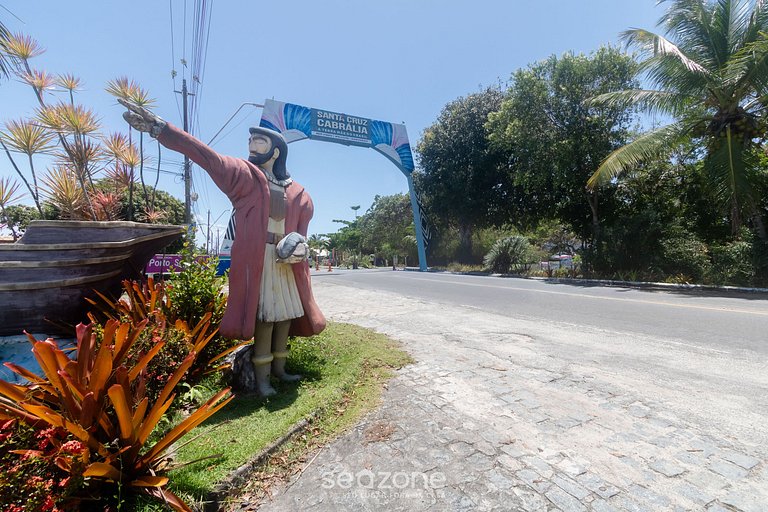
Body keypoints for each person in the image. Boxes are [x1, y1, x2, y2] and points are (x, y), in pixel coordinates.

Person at [120, 99, 326, 397]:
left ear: (276, 149)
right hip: (261, 261)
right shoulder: (245, 176)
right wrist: (162, 130)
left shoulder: (299, 192)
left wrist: (300, 249)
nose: (252, 144)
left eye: (259, 139)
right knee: (266, 318)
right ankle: (263, 379)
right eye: (251, 139)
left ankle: (281, 370)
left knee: (287, 315)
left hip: (287, 264)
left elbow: (302, 235)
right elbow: (207, 156)